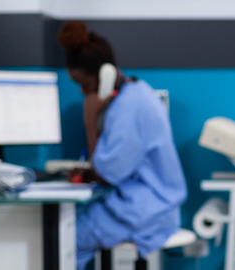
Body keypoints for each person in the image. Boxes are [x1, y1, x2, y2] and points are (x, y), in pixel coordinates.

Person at [57, 21, 187, 270]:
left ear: (105, 74)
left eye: (85, 86)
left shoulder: (129, 108)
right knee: (68, 228)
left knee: (62, 239)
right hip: (148, 203)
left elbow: (107, 175)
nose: (85, 94)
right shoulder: (136, 93)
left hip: (148, 211)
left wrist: (90, 120)